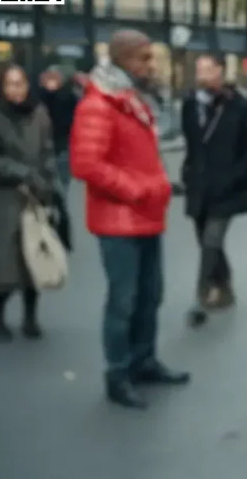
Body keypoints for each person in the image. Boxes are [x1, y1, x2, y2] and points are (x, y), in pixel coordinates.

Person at [70, 29, 189, 409]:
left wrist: (153, 187)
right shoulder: (99, 104)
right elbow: (86, 164)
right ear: (122, 59)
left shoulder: (129, 99)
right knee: (124, 300)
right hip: (119, 220)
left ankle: (143, 360)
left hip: (145, 215)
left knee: (150, 295)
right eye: (144, 58)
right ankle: (118, 373)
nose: (150, 65)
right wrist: (137, 189)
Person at [180, 54, 247, 328]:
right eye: (199, 69)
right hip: (199, 186)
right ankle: (225, 284)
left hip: (227, 187)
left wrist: (239, 175)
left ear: (220, 71)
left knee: (211, 240)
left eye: (208, 69)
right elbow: (192, 143)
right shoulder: (190, 104)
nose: (202, 74)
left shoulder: (239, 105)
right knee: (205, 238)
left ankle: (201, 298)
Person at [0, 63, 57, 340]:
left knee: (35, 255)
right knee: (5, 259)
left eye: (21, 83)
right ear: (1, 87)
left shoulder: (39, 113)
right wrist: (24, 173)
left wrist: (49, 181)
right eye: (10, 84)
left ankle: (30, 316)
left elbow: (48, 149)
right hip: (5, 196)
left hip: (36, 194)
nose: (17, 90)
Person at [37, 66, 80, 190]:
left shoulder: (69, 96)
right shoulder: (41, 95)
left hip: (63, 140)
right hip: (45, 141)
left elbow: (72, 118)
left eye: (55, 77)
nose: (52, 81)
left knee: (63, 175)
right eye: (49, 77)